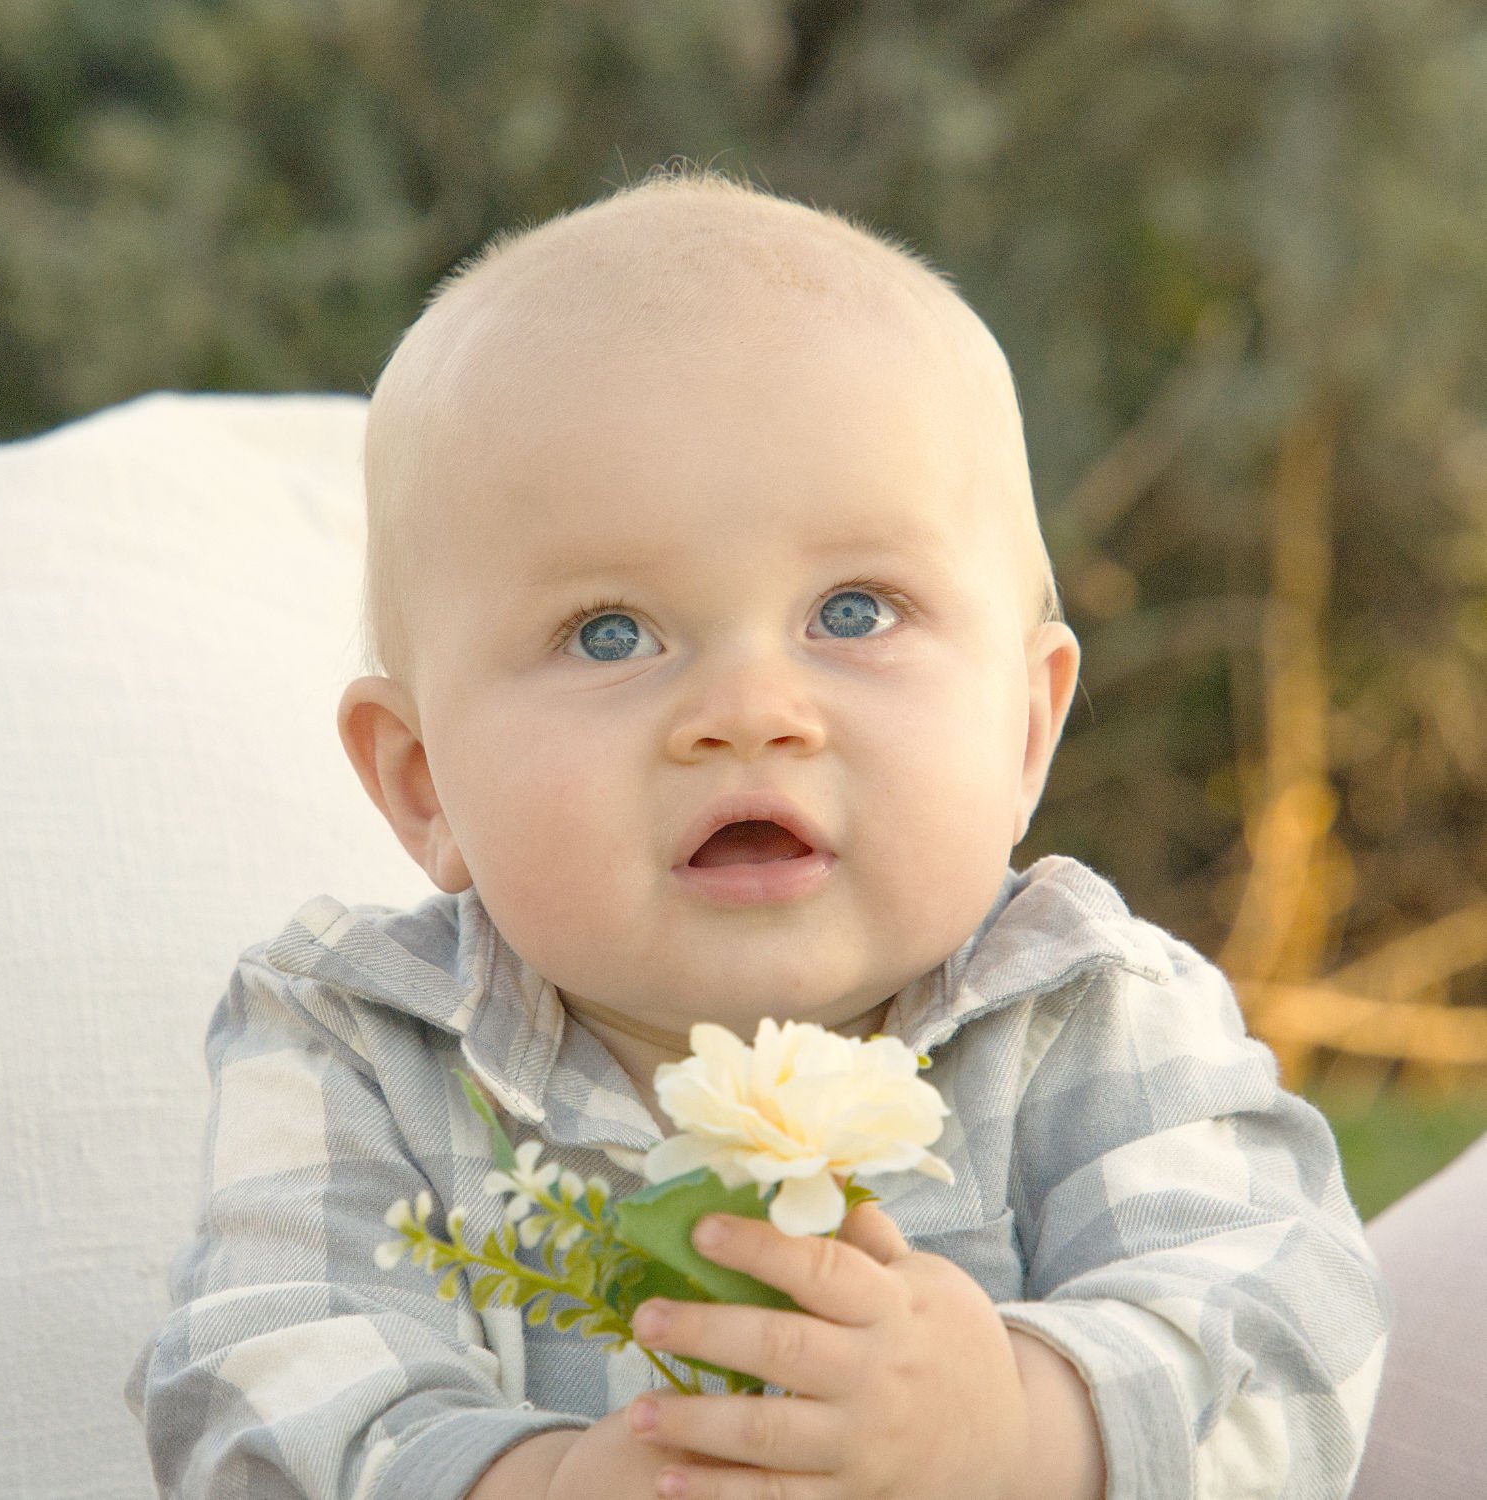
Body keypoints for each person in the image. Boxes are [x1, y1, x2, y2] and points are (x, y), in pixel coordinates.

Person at [129, 169, 1388, 1500]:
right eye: (609, 632)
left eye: (854, 612)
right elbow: (250, 1396)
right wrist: (539, 1484)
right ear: (425, 782)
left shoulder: (1085, 1011)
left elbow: (1288, 1331)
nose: (746, 713)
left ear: (1026, 729)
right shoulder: (360, 1051)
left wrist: (1026, 1428)